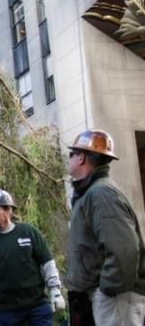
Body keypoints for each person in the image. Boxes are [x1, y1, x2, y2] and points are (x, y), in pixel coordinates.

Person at [65, 129, 145, 326]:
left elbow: (124, 250)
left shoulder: (101, 194)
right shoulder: (91, 193)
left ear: (81, 158)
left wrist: (107, 289)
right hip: (106, 296)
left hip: (116, 297)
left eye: (71, 154)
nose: (69, 159)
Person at [0, 189, 66, 325]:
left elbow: (47, 264)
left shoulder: (29, 232)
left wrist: (56, 291)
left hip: (37, 306)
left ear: (8, 211)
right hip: (6, 311)